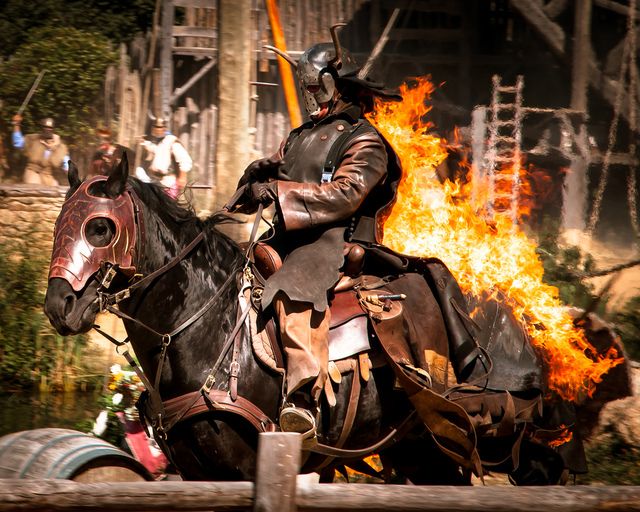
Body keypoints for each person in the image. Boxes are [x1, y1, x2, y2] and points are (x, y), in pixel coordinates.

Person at [225, 36, 402, 437]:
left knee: (292, 285)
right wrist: (254, 182)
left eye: (313, 86)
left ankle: (302, 396)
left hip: (333, 242)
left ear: (335, 83)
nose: (309, 96)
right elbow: (275, 170)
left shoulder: (364, 139)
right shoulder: (299, 135)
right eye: (304, 87)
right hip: (287, 235)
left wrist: (279, 192)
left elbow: (345, 195)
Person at [135, 118, 192, 198]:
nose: (157, 129)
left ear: (164, 128)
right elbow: (154, 148)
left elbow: (184, 159)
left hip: (168, 182)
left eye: (160, 127)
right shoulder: (158, 142)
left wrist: (182, 177)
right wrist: (144, 142)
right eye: (156, 127)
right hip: (155, 180)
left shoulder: (172, 141)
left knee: (167, 207)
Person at [11, 114, 70, 186]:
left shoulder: (60, 146)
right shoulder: (32, 139)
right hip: (32, 171)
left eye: (50, 128)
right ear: (42, 128)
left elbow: (66, 163)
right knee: (34, 186)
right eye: (45, 127)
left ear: (53, 129)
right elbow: (18, 143)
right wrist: (16, 125)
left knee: (55, 188)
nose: (48, 129)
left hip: (47, 175)